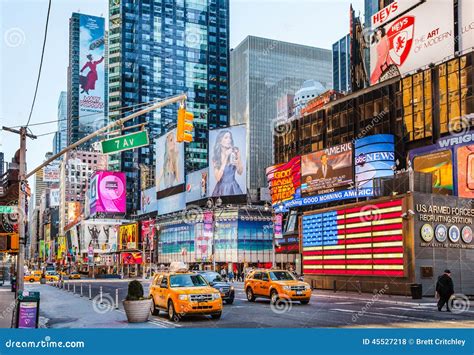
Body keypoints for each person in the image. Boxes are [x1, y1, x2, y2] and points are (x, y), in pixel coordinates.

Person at [212, 130, 244, 196]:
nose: (229, 140)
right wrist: (226, 157)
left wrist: (237, 163)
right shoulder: (216, 158)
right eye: (226, 138)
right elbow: (218, 178)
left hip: (233, 187)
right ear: (220, 141)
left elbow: (240, 172)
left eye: (230, 138)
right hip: (221, 189)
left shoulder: (235, 151)